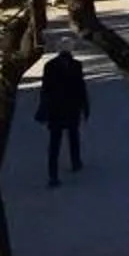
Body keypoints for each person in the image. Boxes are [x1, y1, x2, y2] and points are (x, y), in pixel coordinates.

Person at [37, 39, 90, 187]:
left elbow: (45, 90)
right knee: (73, 136)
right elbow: (81, 88)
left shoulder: (50, 66)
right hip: (71, 108)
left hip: (56, 109)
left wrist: (43, 108)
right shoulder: (76, 65)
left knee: (55, 142)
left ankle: (53, 174)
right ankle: (76, 161)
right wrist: (85, 107)